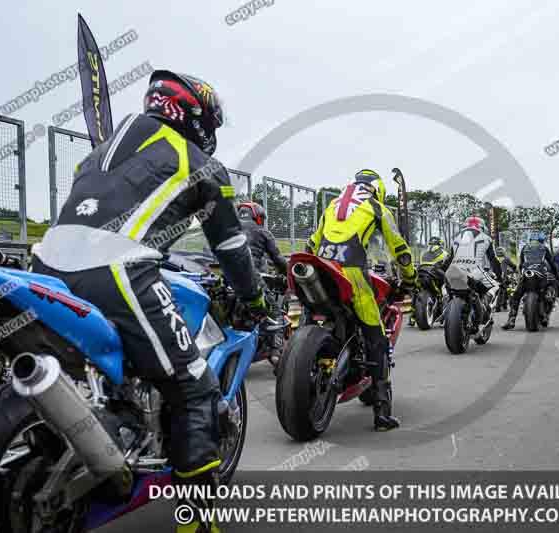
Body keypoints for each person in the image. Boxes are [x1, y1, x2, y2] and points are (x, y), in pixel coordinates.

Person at [31, 70, 266, 533]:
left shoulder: (97, 156)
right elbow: (233, 249)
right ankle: (196, 522)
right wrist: (256, 301)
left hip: (43, 267)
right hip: (117, 271)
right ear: (196, 114)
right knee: (195, 387)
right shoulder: (198, 161)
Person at [306, 169, 417, 431]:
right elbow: (399, 248)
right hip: (351, 272)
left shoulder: (332, 204)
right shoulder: (376, 207)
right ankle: (382, 413)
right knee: (376, 336)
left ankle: (296, 363)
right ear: (377, 189)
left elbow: (312, 243)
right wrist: (410, 277)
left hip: (319, 269)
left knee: (310, 315)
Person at [237, 201, 288, 367]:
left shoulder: (227, 229)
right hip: (252, 279)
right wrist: (289, 273)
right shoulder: (262, 232)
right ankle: (276, 353)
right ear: (257, 216)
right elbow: (278, 260)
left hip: (226, 278)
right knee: (276, 314)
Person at [442, 216, 503, 326]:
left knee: (444, 287)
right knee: (496, 286)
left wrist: (443, 274)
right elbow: (493, 260)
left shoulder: (455, 238)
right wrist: (500, 277)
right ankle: (485, 303)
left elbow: (448, 260)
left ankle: (446, 304)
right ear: (482, 227)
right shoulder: (486, 238)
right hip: (474, 270)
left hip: (453, 270)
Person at [502, 232, 557, 330]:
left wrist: (519, 274)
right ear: (541, 241)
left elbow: (521, 264)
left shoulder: (525, 248)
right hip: (540, 276)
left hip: (527, 274)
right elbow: (552, 264)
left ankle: (511, 319)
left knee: (516, 296)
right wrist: (556, 275)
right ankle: (545, 315)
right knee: (549, 292)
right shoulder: (544, 248)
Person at [409, 236, 449, 326]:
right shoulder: (444, 252)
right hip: (434, 272)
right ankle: (445, 315)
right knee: (447, 288)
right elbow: (447, 265)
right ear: (441, 244)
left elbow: (419, 263)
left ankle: (412, 317)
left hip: (420, 272)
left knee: (416, 291)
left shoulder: (424, 251)